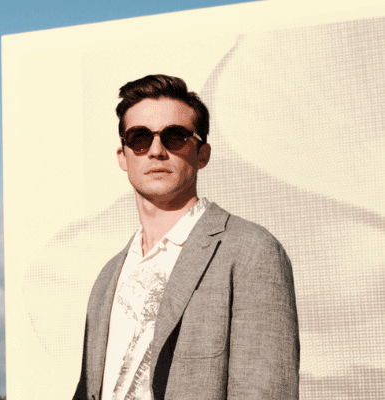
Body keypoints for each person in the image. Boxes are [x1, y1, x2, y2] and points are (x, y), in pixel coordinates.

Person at [72, 75, 299, 400]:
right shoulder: (108, 276)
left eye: (175, 137)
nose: (155, 150)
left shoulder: (251, 251)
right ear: (123, 156)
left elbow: (264, 390)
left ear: (202, 154)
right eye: (139, 137)